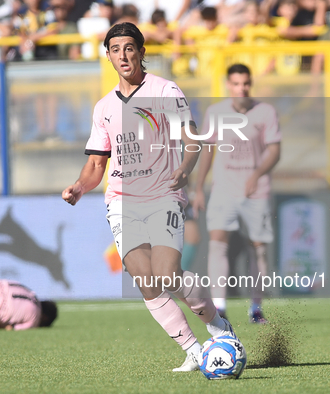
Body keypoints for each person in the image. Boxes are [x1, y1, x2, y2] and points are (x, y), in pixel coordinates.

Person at [62, 22, 235, 372]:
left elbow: (191, 142)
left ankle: (220, 328)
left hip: (162, 195)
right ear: (108, 56)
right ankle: (194, 351)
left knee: (168, 275)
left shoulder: (165, 90)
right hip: (122, 201)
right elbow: (96, 163)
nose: (123, 55)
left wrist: (185, 169)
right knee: (145, 279)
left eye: (129, 48)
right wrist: (79, 187)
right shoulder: (104, 108)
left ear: (142, 52)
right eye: (115, 49)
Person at [193, 63, 281, 324]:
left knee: (259, 249)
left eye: (246, 83)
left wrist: (256, 174)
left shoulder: (265, 112)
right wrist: (198, 187)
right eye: (236, 83)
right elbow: (207, 150)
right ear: (228, 85)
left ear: (250, 84)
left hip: (256, 191)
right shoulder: (215, 112)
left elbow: (275, 151)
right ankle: (219, 307)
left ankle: (256, 307)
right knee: (218, 244)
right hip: (223, 189)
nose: (241, 88)